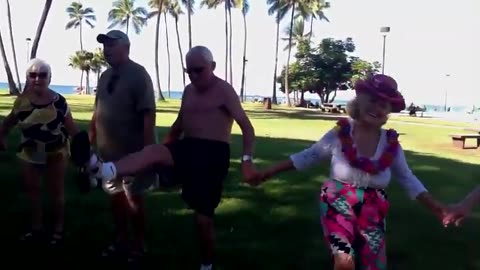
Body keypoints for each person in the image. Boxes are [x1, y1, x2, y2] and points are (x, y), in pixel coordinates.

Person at [248, 74, 453, 270]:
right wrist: (268, 172)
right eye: (371, 100)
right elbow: (309, 156)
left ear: (388, 111)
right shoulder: (341, 133)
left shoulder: (390, 144)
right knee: (345, 261)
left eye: (383, 105)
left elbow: (408, 178)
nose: (376, 108)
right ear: (359, 100)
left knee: (375, 265)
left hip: (374, 208)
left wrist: (437, 208)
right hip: (337, 200)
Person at [87, 45, 256, 270]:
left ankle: (207, 265)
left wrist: (246, 160)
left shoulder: (224, 91)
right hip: (188, 146)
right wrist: (165, 147)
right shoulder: (188, 91)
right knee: (153, 151)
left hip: (212, 154)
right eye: (190, 72)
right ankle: (103, 170)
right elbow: (180, 124)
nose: (194, 76)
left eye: (199, 70)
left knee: (203, 220)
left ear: (213, 67)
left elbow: (247, 127)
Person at [92, 30, 157, 264]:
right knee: (115, 199)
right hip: (107, 155)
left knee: (134, 200)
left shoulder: (139, 75)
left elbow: (148, 114)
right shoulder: (104, 76)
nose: (106, 49)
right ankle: (120, 241)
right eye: (104, 45)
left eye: (111, 44)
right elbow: (98, 109)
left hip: (133, 153)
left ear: (126, 47)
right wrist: (92, 137)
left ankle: (139, 246)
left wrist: (147, 153)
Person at [0, 58, 79, 247]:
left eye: (42, 75)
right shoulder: (22, 102)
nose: (37, 79)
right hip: (30, 152)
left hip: (56, 152)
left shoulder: (59, 102)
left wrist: (82, 151)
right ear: (27, 78)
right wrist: (1, 136)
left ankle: (58, 230)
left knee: (56, 191)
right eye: (32, 75)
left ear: (49, 78)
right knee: (33, 191)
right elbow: (9, 122)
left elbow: (72, 130)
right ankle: (37, 229)